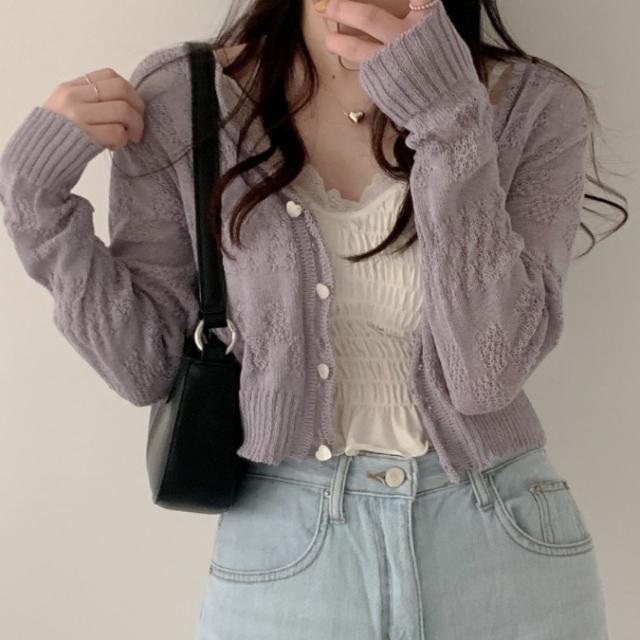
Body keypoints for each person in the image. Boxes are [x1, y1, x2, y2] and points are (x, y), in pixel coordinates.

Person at [0, 1, 619, 638]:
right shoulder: (185, 97)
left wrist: (448, 119)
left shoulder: (532, 104)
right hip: (285, 549)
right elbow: (145, 367)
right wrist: (31, 200)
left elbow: (486, 376)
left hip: (502, 544)